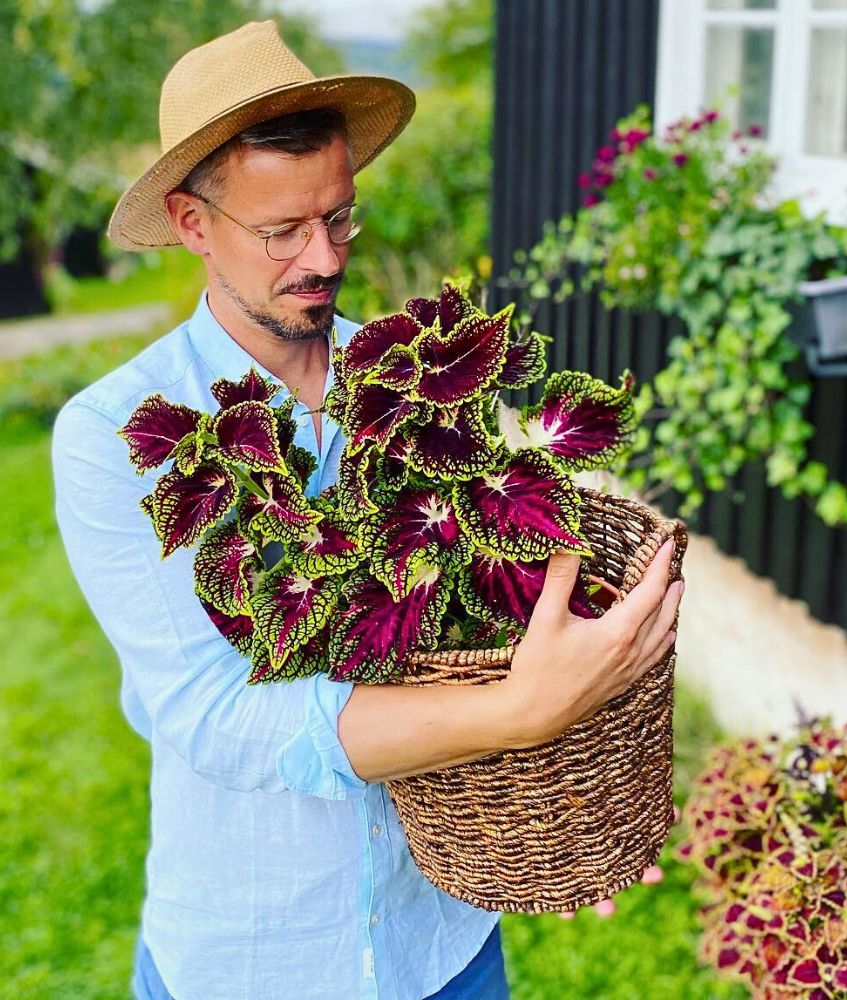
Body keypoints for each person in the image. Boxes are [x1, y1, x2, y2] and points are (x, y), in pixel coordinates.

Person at [51, 19, 684, 1000]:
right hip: (257, 956)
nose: (322, 256)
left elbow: (486, 598)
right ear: (190, 223)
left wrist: (585, 778)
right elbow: (221, 718)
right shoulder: (116, 435)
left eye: (338, 218)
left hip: (445, 939)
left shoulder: (413, 378)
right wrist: (521, 710)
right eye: (281, 233)